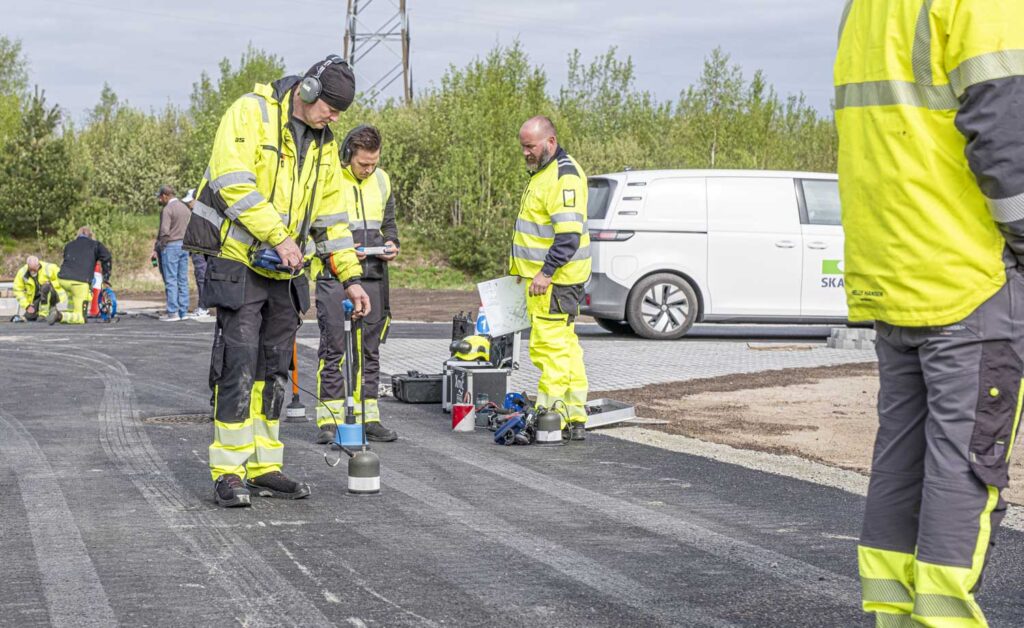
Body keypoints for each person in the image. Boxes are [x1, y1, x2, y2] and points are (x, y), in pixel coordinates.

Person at [835, 3, 1024, 626]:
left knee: (903, 458)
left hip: (894, 266)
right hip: (965, 270)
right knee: (965, 461)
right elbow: (1003, 128)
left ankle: (893, 614)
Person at [183, 54, 368, 508]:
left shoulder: (325, 144)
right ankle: (228, 470)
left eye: (341, 112)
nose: (334, 117)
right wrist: (280, 236)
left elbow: (331, 219)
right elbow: (233, 183)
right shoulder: (251, 112)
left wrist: (351, 277)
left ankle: (265, 465)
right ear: (306, 91)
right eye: (330, 106)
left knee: (274, 371)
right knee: (238, 366)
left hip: (283, 269)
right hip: (237, 260)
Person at [315, 125, 400, 444]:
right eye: (364, 163)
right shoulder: (330, 179)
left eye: (374, 163)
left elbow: (389, 223)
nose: (369, 169)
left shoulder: (382, 180)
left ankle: (369, 415)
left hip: (375, 272)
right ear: (348, 156)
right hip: (334, 271)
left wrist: (392, 243)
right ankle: (329, 418)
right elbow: (317, 228)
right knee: (334, 344)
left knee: (370, 348)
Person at [509, 116, 590, 440]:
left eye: (530, 146)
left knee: (549, 350)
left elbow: (568, 236)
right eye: (523, 146)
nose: (526, 152)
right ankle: (574, 416)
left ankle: (548, 415)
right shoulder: (546, 173)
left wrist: (545, 272)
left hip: (554, 282)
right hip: (552, 282)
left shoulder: (563, 177)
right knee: (566, 348)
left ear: (550, 142)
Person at [54, 226, 112, 325]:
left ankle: (70, 313)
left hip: (63, 279)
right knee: (81, 318)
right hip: (80, 282)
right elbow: (107, 258)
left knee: (73, 298)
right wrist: (106, 277)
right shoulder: (96, 245)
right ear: (91, 235)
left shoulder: (69, 245)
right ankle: (60, 316)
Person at [152, 184, 191, 322]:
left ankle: (173, 312)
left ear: (165, 195)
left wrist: (159, 247)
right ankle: (183, 310)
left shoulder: (168, 209)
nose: (160, 200)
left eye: (160, 197)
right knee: (182, 279)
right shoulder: (184, 208)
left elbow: (164, 231)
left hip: (171, 246)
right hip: (184, 245)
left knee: (171, 280)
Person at [181, 188, 209, 318]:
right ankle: (203, 306)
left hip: (200, 249)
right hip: (200, 249)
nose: (188, 204)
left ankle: (203, 307)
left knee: (202, 278)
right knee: (201, 278)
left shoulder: (199, 214)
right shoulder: (200, 213)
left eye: (190, 201)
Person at [12, 255, 65, 323]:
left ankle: (43, 315)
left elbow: (62, 279)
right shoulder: (22, 273)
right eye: (31, 269)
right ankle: (48, 313)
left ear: (38, 265)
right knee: (29, 316)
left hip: (53, 295)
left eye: (34, 269)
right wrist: (27, 305)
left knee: (45, 287)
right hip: (37, 298)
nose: (33, 271)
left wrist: (51, 284)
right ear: (27, 265)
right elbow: (17, 290)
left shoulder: (50, 268)